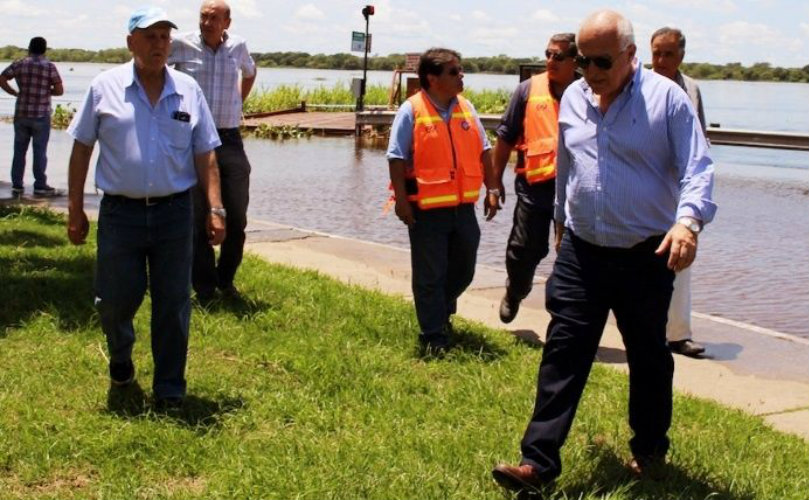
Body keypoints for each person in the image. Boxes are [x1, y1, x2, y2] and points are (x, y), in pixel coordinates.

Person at [492, 10, 716, 491]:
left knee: (649, 355)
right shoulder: (573, 97)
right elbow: (567, 168)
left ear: (631, 56)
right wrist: (560, 223)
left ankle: (650, 451)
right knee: (563, 351)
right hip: (582, 249)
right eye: (582, 60)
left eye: (601, 61)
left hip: (645, 253)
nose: (590, 72)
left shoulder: (667, 101)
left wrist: (687, 222)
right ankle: (538, 463)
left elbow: (698, 167)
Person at [66, 6, 225, 409]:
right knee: (116, 298)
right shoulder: (105, 87)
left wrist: (216, 207)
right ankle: (120, 356)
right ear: (130, 42)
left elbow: (205, 152)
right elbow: (82, 147)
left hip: (174, 213)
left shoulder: (188, 89)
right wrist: (74, 207)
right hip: (121, 214)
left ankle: (170, 387)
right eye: (150, 36)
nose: (158, 44)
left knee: (173, 301)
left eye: (164, 37)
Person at [386, 48, 502, 351]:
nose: (461, 76)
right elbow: (396, 158)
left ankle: (440, 309)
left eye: (460, 70)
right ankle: (433, 336)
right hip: (426, 209)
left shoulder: (466, 107)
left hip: (463, 207)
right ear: (432, 78)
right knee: (429, 274)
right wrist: (401, 200)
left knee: (464, 268)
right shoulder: (411, 110)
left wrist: (492, 189)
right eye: (454, 71)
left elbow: (484, 150)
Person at [169, 0, 257, 300]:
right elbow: (153, 68)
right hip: (192, 139)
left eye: (213, 18)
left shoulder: (239, 46)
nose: (206, 23)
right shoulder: (181, 45)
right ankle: (205, 288)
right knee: (196, 217)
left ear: (227, 23)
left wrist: (237, 101)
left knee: (237, 215)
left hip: (229, 137)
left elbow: (250, 72)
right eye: (203, 17)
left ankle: (226, 281)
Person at [495, 33, 579, 324]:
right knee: (524, 251)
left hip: (575, 194)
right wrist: (494, 183)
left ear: (575, 61)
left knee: (573, 260)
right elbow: (504, 139)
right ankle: (515, 290)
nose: (550, 61)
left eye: (558, 56)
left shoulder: (588, 92)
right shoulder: (527, 91)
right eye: (548, 54)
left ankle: (564, 318)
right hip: (534, 189)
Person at [651, 26, 708, 358]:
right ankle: (644, 327)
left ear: (681, 56)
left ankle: (678, 335)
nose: (660, 60)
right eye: (656, 52)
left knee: (681, 259)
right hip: (645, 187)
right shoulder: (637, 86)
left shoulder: (693, 90)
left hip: (680, 190)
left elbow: (701, 144)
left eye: (668, 54)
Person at [0, 36, 64, 197]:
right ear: (44, 49)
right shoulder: (49, 66)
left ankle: (17, 185)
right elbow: (59, 90)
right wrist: (45, 91)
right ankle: (40, 185)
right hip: (41, 115)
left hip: (21, 113)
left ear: (29, 48)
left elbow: (2, 78)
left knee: (19, 151)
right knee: (40, 152)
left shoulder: (20, 63)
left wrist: (14, 92)